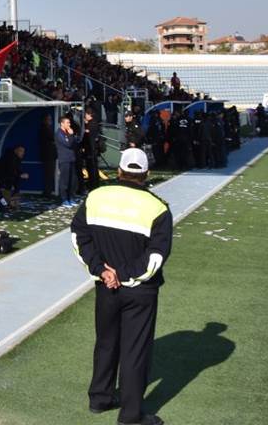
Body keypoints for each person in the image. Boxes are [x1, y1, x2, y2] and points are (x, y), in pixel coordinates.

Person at [71, 148, 172, 425]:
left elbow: (79, 236)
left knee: (105, 342)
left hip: (106, 285)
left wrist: (102, 271)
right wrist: (124, 274)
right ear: (146, 174)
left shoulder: (96, 196)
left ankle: (99, 398)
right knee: (134, 350)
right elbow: (156, 257)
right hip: (139, 289)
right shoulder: (158, 207)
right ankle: (130, 415)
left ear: (119, 171)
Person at [56, 114, 81, 207]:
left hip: (71, 158)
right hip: (64, 159)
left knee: (73, 180)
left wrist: (72, 136)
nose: (69, 124)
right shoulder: (59, 133)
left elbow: (75, 142)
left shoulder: (68, 132)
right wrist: (71, 136)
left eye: (69, 122)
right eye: (67, 122)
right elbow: (68, 144)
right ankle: (64, 199)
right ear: (62, 124)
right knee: (65, 180)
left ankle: (71, 197)